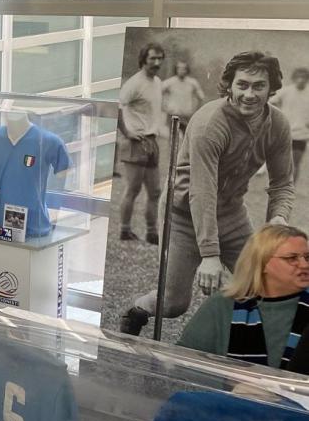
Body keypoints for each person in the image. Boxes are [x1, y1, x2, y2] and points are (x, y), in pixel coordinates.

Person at [121, 51, 296, 335]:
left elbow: (282, 183)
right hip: (184, 216)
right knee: (173, 304)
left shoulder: (278, 124)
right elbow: (201, 193)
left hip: (232, 214)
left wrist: (278, 218)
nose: (249, 94)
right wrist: (211, 255)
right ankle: (137, 310)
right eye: (242, 85)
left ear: (271, 88)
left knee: (265, 284)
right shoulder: (209, 123)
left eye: (259, 86)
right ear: (230, 85)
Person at [177, 224, 309, 367]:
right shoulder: (222, 305)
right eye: (292, 258)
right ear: (262, 262)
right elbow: (183, 363)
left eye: (307, 257)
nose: (304, 265)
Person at [116, 43, 166, 244]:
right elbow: (117, 106)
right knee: (133, 189)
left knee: (155, 191)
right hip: (135, 142)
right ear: (143, 59)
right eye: (152, 58)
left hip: (151, 141)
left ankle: (152, 233)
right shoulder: (134, 83)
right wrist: (127, 132)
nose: (156, 62)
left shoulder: (157, 82)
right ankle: (124, 230)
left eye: (160, 58)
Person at [272, 66, 309, 180]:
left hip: (301, 134)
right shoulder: (286, 91)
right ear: (294, 78)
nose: (301, 80)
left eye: (304, 77)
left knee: (295, 163)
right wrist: (277, 117)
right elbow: (271, 102)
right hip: (284, 133)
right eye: (298, 77)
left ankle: (290, 188)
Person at [161, 59, 207, 127]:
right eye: (179, 68)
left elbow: (201, 97)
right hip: (173, 114)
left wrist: (196, 111)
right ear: (176, 69)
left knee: (187, 133)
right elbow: (158, 92)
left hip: (187, 115)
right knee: (172, 133)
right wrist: (163, 107)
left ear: (187, 70)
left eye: (184, 69)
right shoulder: (170, 82)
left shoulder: (192, 82)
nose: (181, 71)